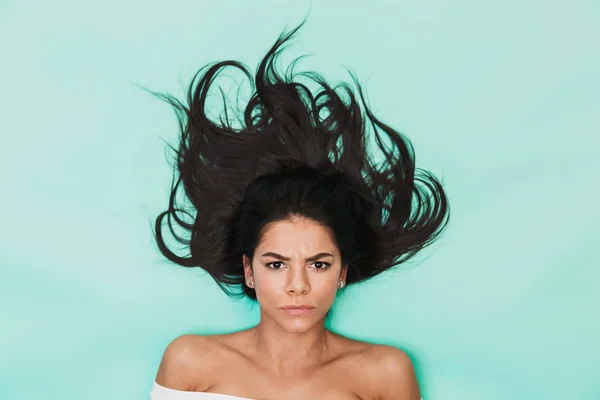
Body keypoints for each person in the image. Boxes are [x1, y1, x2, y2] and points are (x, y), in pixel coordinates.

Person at [146, 19, 449, 400]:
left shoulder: (385, 373)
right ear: (248, 271)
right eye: (276, 264)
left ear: (342, 272)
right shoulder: (190, 361)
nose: (297, 285)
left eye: (319, 264)